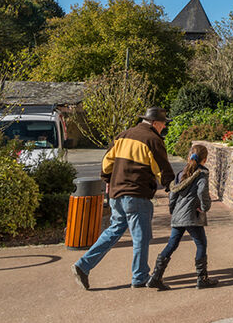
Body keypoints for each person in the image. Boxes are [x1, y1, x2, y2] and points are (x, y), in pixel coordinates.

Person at [71, 107, 176, 290]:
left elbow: (106, 164)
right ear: (155, 123)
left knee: (113, 231)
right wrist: (171, 186)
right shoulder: (152, 140)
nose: (163, 128)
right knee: (141, 237)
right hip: (136, 194)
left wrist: (107, 180)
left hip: (116, 194)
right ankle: (140, 277)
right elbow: (162, 169)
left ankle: (83, 265)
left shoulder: (122, 135)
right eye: (163, 124)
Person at [146, 144, 218, 290]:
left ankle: (155, 277)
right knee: (201, 244)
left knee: (172, 244)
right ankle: (202, 278)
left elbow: (173, 193)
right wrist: (205, 207)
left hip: (179, 215)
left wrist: (173, 209)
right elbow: (202, 191)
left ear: (188, 156)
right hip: (192, 215)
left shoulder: (181, 173)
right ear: (204, 160)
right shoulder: (202, 173)